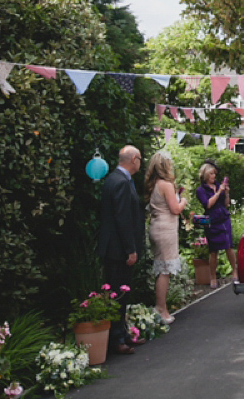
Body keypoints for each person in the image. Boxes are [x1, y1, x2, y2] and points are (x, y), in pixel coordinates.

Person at [97, 145, 143, 355]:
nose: (140, 163)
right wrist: (130, 249)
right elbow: (123, 218)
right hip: (118, 249)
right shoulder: (122, 182)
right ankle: (117, 339)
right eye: (140, 159)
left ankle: (122, 334)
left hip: (113, 247)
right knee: (118, 294)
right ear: (133, 159)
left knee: (120, 292)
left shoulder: (113, 179)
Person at [144, 151, 186, 324]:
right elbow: (175, 209)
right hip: (165, 230)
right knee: (165, 270)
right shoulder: (166, 184)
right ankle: (161, 308)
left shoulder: (153, 184)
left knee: (162, 268)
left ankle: (161, 307)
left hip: (156, 227)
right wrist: (183, 200)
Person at [195, 162, 236, 287]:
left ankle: (235, 271)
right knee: (213, 251)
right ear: (206, 174)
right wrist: (218, 192)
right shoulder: (201, 190)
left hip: (224, 218)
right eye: (211, 173)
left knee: (229, 246)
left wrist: (226, 193)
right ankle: (212, 276)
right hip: (212, 221)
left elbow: (226, 204)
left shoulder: (217, 185)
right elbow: (207, 204)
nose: (214, 176)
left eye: (214, 174)